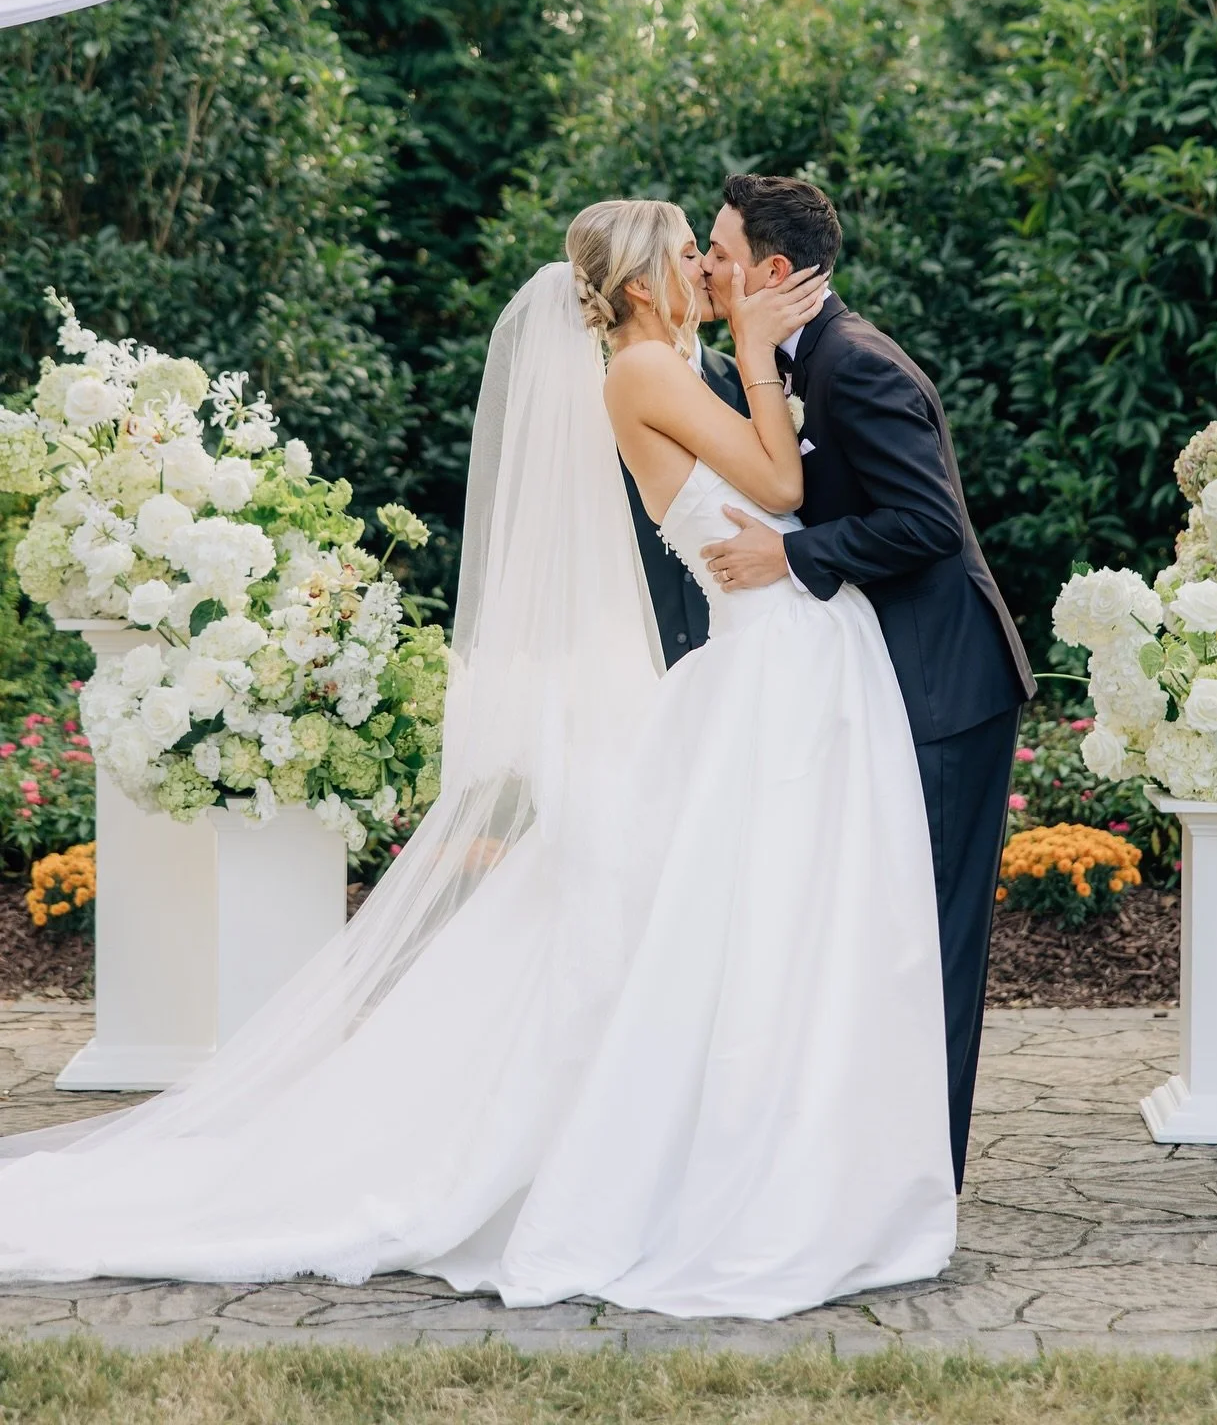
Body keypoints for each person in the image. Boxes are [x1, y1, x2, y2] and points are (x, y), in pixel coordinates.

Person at [0, 199, 956, 1321]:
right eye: (686, 251)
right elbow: (785, 492)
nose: (704, 264)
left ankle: (796, 1158)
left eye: (716, 248)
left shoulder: (663, 364)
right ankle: (720, 1172)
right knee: (724, 925)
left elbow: (787, 493)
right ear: (643, 286)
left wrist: (754, 366)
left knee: (776, 926)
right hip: (770, 658)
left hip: (790, 657)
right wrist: (755, 353)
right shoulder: (646, 374)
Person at [700, 174, 1035, 1192]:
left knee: (930, 936)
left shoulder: (855, 365)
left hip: (947, 688)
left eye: (717, 251)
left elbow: (929, 523)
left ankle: (921, 1182)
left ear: (769, 269)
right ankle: (873, 1167)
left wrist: (790, 559)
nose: (705, 268)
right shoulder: (782, 364)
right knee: (880, 926)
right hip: (887, 681)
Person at [619, 291, 744, 668]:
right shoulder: (600, 396)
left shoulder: (749, 381)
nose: (706, 267)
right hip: (640, 647)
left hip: (741, 643)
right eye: (689, 255)